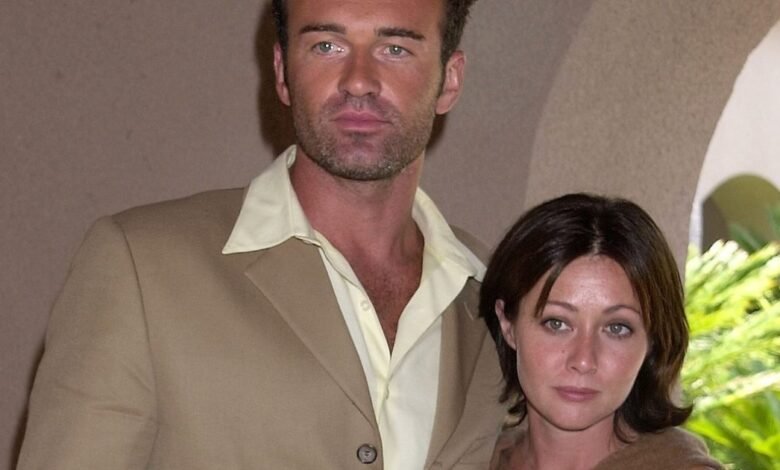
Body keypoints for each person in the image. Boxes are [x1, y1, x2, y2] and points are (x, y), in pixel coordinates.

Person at [17, 0, 506, 468]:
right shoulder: (140, 267)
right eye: (326, 46)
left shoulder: (499, 300)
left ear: (450, 80)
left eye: (395, 49)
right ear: (282, 72)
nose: (358, 80)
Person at [480, 193, 723, 470]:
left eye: (617, 328)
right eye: (556, 323)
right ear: (508, 324)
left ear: (652, 340)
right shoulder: (466, 457)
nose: (583, 360)